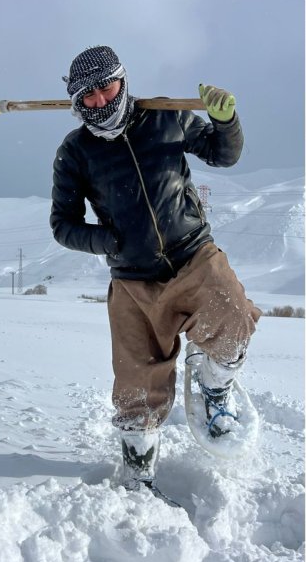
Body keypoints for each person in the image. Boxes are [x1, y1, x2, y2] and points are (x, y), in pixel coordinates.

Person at [49, 45, 262, 495]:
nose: (103, 101)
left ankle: (215, 388)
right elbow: (62, 225)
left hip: (193, 254)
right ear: (77, 101)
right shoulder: (75, 153)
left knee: (234, 320)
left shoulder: (166, 117)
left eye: (109, 87)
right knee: (135, 383)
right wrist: (105, 240)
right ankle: (138, 476)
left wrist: (226, 122)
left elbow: (223, 156)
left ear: (123, 81)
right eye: (89, 96)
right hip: (131, 278)